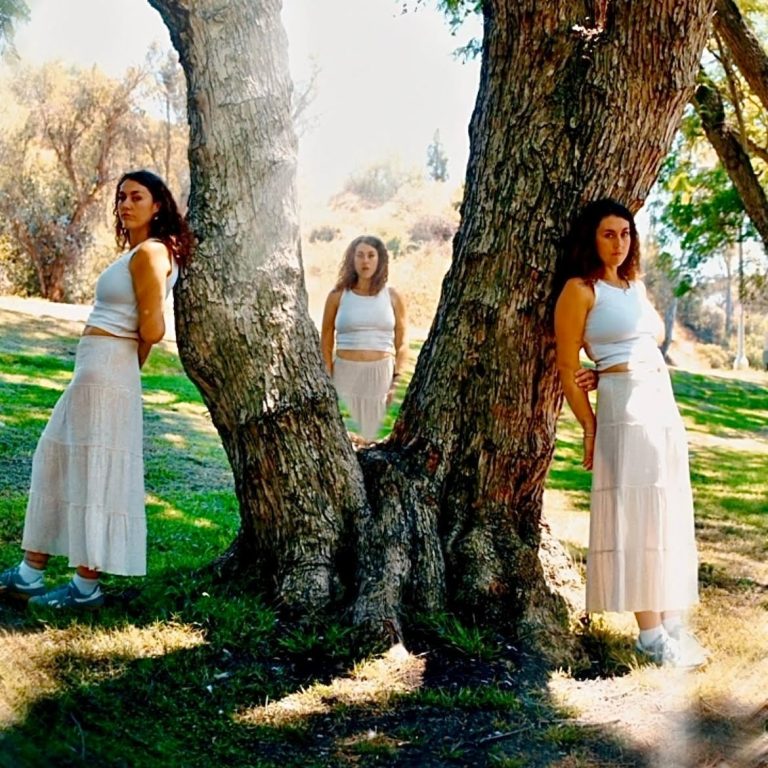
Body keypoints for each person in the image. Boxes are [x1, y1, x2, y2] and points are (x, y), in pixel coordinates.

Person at [0, 170, 191, 610]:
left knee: (95, 469)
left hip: (107, 369)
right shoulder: (142, 252)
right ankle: (30, 573)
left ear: (158, 205)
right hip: (100, 369)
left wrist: (119, 369)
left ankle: (85, 586)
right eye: (121, 197)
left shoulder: (151, 252)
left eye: (137, 197)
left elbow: (153, 329)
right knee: (57, 457)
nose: (125, 204)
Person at [554, 198, 707, 668]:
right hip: (625, 409)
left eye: (625, 233)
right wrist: (590, 425)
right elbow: (566, 367)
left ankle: (673, 624)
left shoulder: (634, 286)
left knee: (666, 509)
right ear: (591, 238)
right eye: (608, 234)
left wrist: (605, 370)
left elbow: (641, 343)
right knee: (638, 515)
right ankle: (650, 634)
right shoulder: (580, 290)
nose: (619, 243)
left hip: (660, 402)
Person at [321, 235, 407, 442]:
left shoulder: (393, 296)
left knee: (374, 443)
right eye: (359, 255)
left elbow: (402, 342)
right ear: (352, 259)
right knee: (345, 441)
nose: (365, 261)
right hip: (345, 375)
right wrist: (328, 376)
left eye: (371, 255)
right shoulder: (337, 295)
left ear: (380, 259)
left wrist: (396, 381)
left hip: (381, 377)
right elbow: (326, 339)